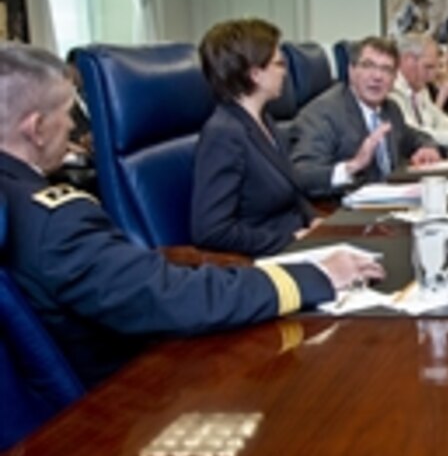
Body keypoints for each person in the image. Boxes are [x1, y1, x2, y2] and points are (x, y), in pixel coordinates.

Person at [0, 42, 383, 386]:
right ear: (35, 128)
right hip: (120, 404)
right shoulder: (55, 221)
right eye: (68, 114)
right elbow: (165, 297)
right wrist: (312, 277)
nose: (72, 126)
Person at [192, 18, 318, 256]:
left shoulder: (265, 121)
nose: (286, 72)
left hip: (300, 247)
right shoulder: (223, 134)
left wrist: (314, 222)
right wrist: (288, 240)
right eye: (279, 64)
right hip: (264, 261)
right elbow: (211, 230)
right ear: (255, 74)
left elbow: (292, 193)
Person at [290, 36, 441, 198]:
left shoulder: (390, 109)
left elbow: (414, 136)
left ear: (394, 78)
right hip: (342, 213)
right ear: (351, 71)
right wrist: (352, 166)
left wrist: (427, 147)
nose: (377, 76)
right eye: (368, 66)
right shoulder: (322, 113)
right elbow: (303, 175)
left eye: (386, 69)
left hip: (391, 205)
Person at [391, 33, 448, 148]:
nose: (434, 75)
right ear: (408, 61)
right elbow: (416, 134)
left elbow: (438, 118)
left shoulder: (419, 88)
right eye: (428, 67)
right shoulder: (391, 91)